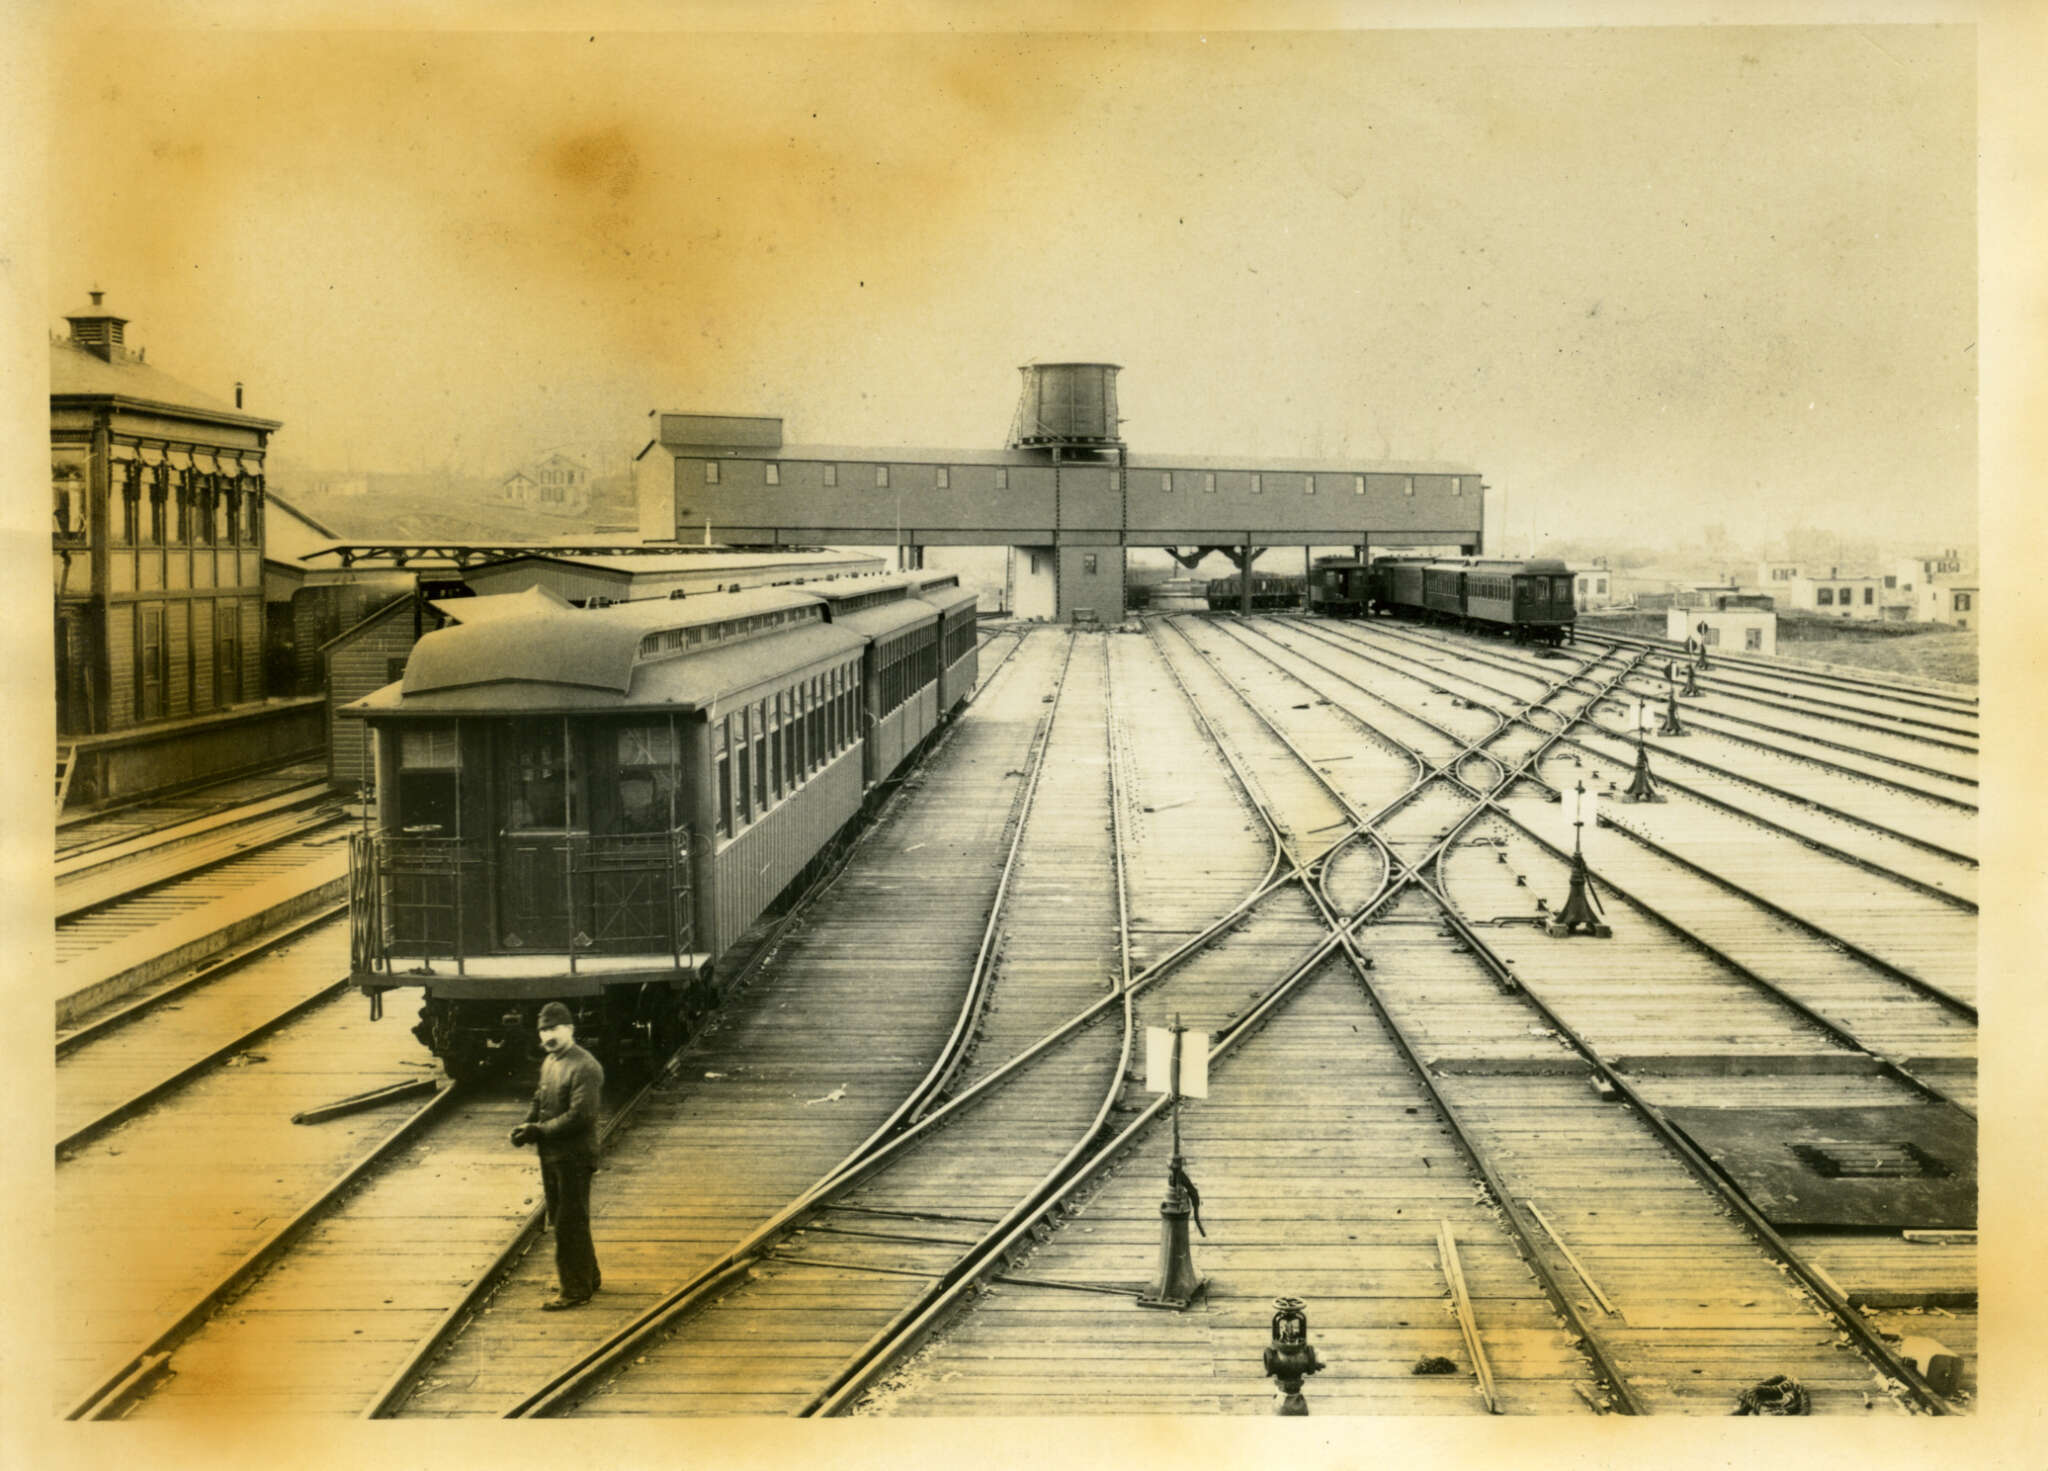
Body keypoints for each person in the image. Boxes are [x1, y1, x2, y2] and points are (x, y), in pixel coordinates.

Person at [509, 1001, 605, 1309]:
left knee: (568, 1222)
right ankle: (588, 1276)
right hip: (552, 1155)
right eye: (544, 1030)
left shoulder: (585, 1066)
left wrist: (539, 1130)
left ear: (571, 1029)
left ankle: (575, 1290)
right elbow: (541, 1097)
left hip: (574, 1157)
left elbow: (581, 1116)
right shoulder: (551, 1062)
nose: (549, 1036)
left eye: (555, 1029)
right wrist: (528, 1122)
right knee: (566, 1218)